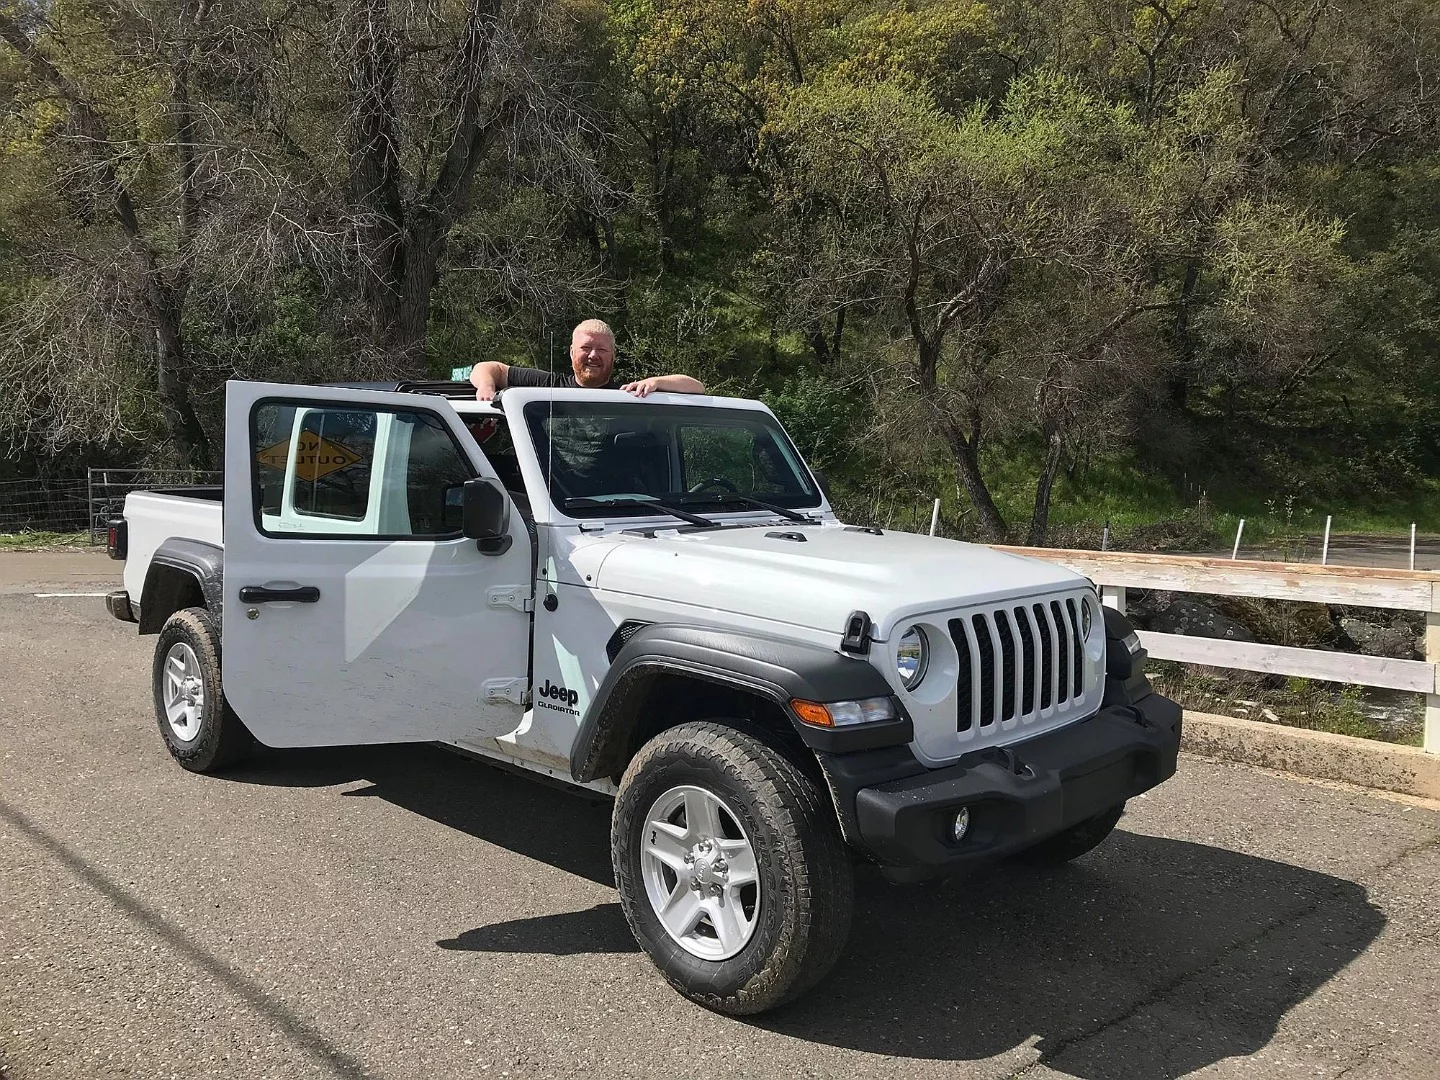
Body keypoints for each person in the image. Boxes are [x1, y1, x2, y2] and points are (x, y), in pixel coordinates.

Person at [469, 319, 705, 400]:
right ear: (572, 352)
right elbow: (487, 368)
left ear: (613, 355)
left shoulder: (629, 395)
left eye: (601, 349)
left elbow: (697, 388)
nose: (593, 355)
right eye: (586, 348)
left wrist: (656, 382)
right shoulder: (548, 387)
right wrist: (487, 386)